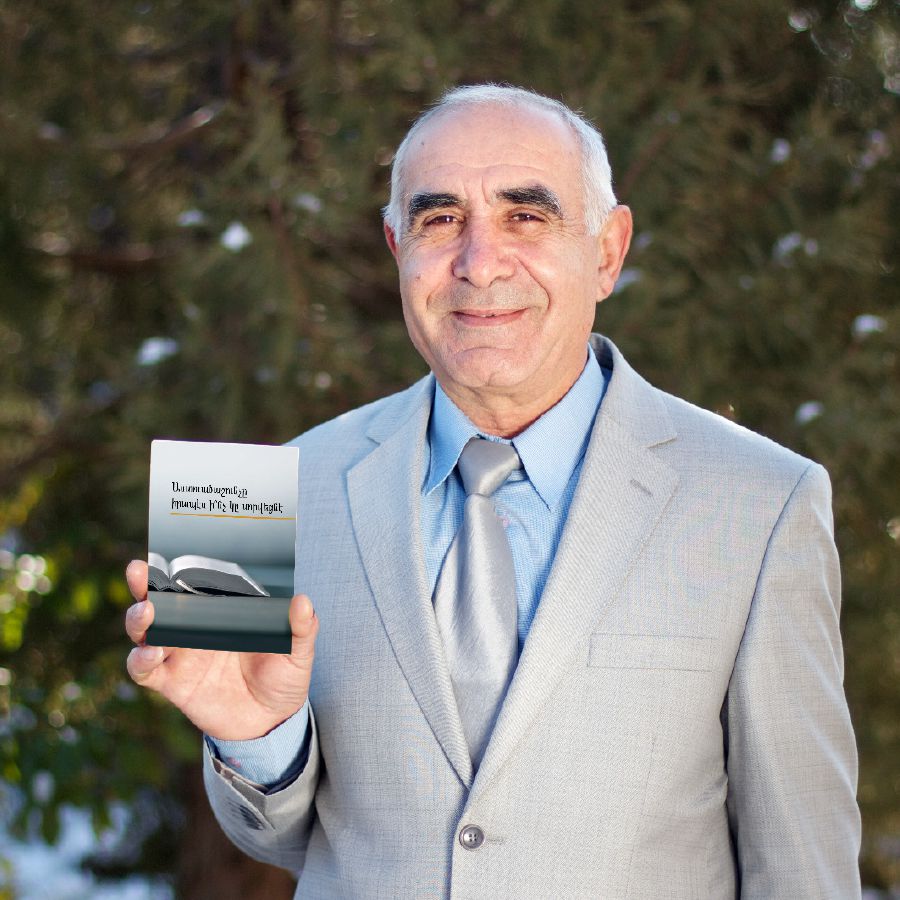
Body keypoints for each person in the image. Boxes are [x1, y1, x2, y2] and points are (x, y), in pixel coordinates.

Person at [124, 84, 861, 898]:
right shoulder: (270, 495)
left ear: (608, 252)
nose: (479, 263)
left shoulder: (765, 502)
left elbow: (802, 865)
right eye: (440, 219)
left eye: (526, 216)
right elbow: (276, 836)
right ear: (396, 247)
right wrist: (256, 737)